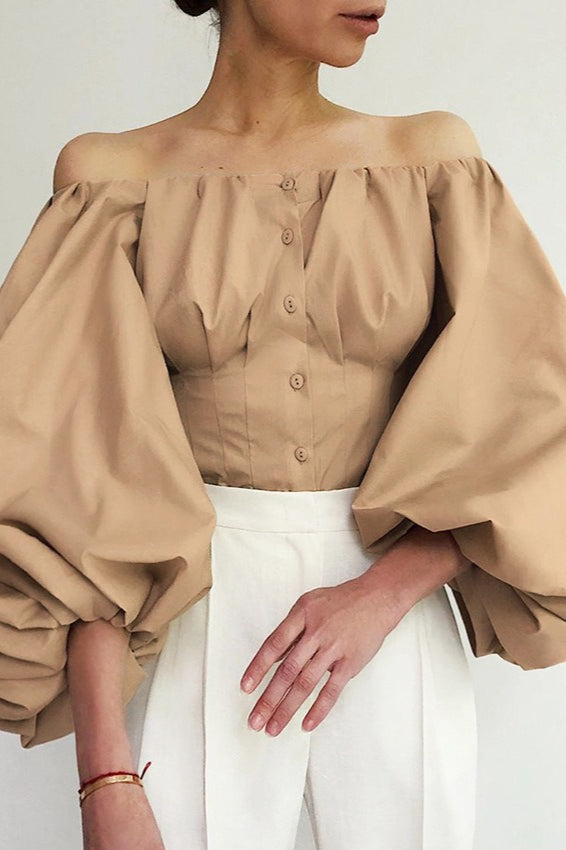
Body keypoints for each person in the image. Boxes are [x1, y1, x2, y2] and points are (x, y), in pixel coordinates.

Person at [1, 1, 566, 848]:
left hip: (396, 608)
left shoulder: (434, 159)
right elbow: (72, 498)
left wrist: (381, 593)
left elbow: (531, 435)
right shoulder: (110, 178)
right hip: (193, 612)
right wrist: (105, 777)